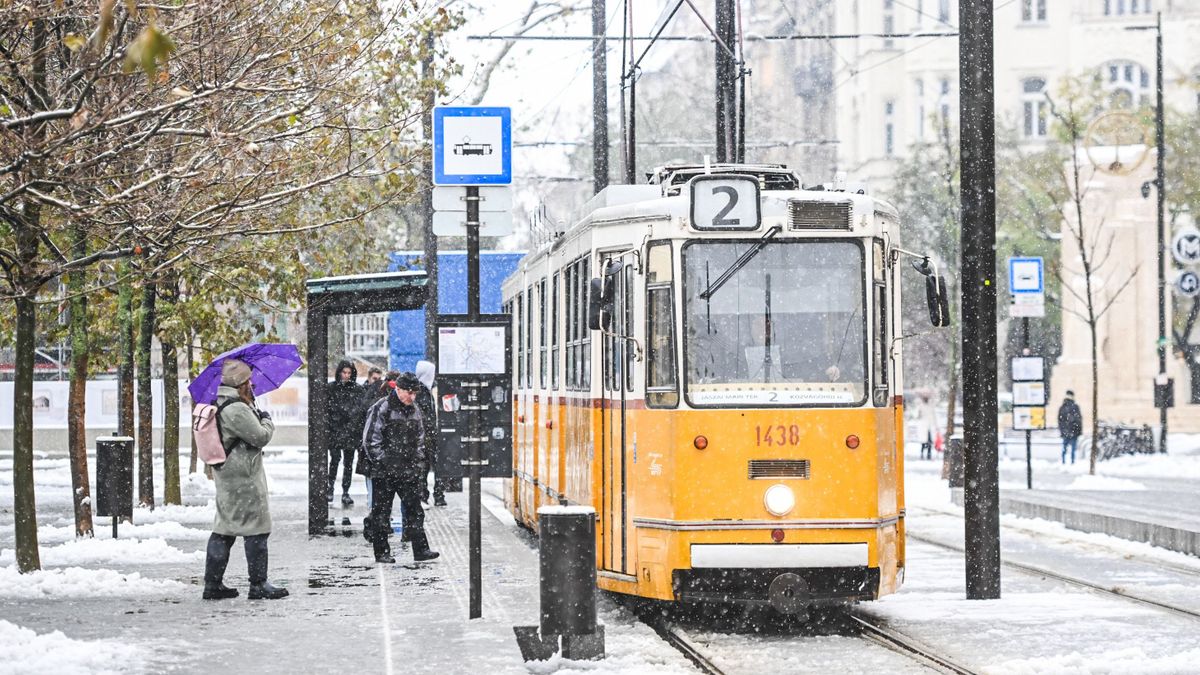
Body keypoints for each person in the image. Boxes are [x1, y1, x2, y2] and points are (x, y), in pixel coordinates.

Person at [203, 359, 288, 600]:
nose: (252, 384)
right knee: (257, 530)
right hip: (243, 477)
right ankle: (258, 584)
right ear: (240, 383)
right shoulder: (236, 409)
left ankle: (213, 585)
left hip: (228, 475)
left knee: (225, 530)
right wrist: (266, 419)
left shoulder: (220, 401)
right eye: (248, 380)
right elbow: (260, 436)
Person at [362, 374, 439, 563]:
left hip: (407, 470)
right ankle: (382, 553)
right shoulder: (382, 407)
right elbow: (371, 439)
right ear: (398, 389)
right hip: (385, 471)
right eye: (409, 393)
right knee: (382, 513)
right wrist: (383, 462)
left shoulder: (414, 410)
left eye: (414, 393)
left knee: (415, 510)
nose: (412, 397)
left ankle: (421, 550)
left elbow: (420, 440)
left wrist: (417, 464)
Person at [327, 359, 365, 506]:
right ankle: (330, 489)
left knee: (348, 463)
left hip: (350, 432)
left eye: (349, 373)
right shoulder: (331, 388)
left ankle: (345, 491)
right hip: (337, 431)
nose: (346, 375)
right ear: (339, 373)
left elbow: (360, 411)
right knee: (335, 460)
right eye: (344, 372)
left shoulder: (357, 389)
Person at [414, 360, 445, 506]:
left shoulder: (425, 390)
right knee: (431, 465)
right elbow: (423, 416)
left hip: (428, 434)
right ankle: (435, 495)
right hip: (427, 435)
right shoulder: (422, 392)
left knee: (425, 466)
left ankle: (425, 494)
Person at [1058, 390, 1083, 464]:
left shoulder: (1063, 407)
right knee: (1072, 450)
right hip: (1073, 431)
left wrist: (1062, 430)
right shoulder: (1075, 407)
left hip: (1067, 431)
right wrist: (1079, 431)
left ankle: (1064, 462)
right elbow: (1079, 420)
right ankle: (1071, 462)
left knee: (1065, 449)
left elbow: (1060, 421)